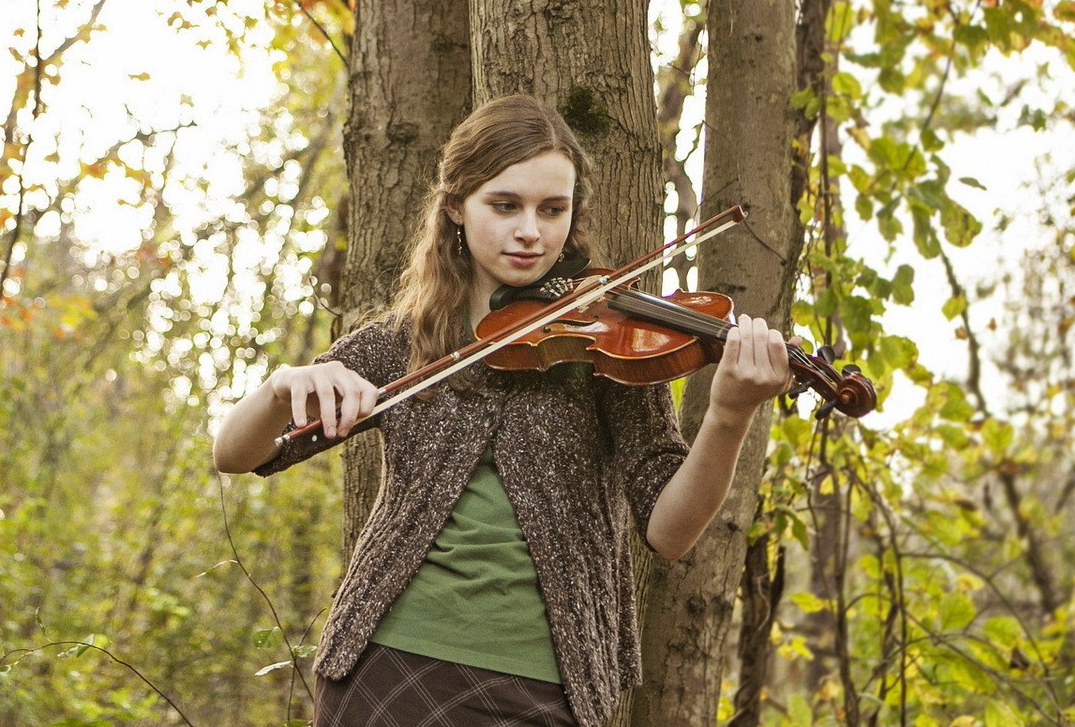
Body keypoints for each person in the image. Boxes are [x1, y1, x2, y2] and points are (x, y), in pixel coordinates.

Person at [212, 94, 793, 727]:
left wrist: (729, 416)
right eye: (505, 205)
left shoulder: (609, 339)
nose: (531, 231)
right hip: (389, 664)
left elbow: (670, 532)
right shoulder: (401, 340)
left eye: (553, 209)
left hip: (547, 682)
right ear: (457, 205)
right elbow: (237, 454)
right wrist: (282, 386)